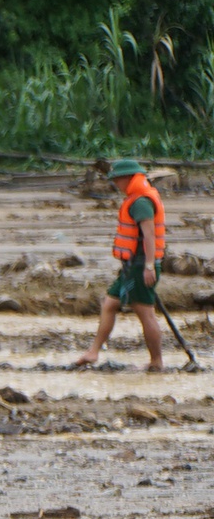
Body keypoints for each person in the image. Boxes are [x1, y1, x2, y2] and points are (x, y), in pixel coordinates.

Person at [75, 158, 167, 371]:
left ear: (128, 178)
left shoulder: (141, 202)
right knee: (109, 304)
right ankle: (93, 352)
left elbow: (149, 235)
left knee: (145, 312)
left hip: (141, 266)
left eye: (117, 180)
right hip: (130, 267)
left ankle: (156, 362)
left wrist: (149, 266)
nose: (116, 184)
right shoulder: (135, 198)